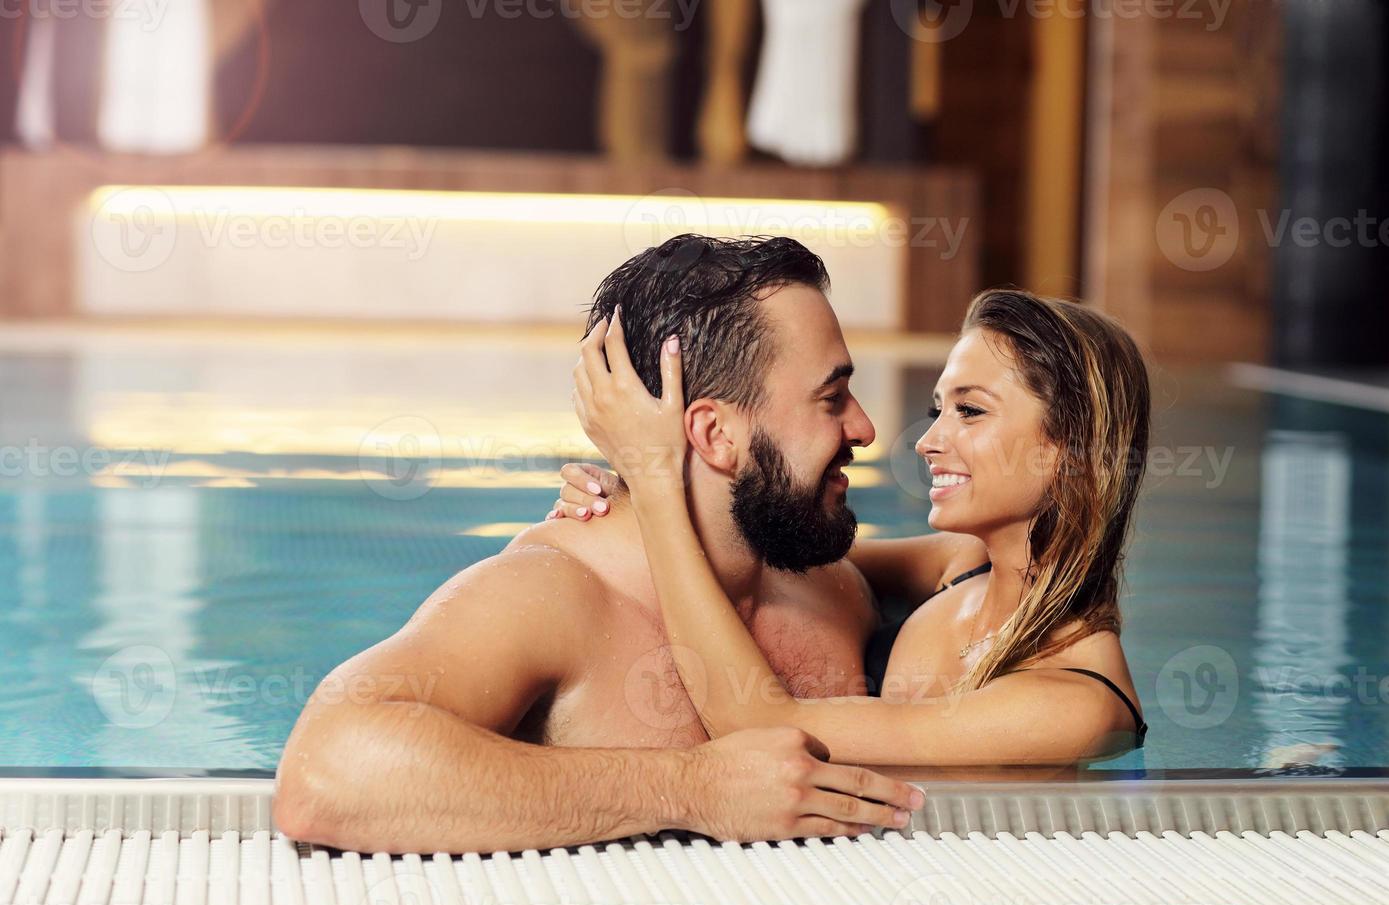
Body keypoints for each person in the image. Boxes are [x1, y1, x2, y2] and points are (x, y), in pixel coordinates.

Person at [273, 235, 924, 854]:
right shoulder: (555, 594)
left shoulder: (828, 583)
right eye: (832, 398)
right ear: (716, 435)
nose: (865, 427)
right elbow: (324, 774)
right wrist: (690, 788)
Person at [559, 287, 1151, 764]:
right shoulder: (960, 566)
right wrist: (628, 499)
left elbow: (764, 729)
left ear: (1071, 452)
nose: (927, 442)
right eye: (936, 411)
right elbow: (756, 548)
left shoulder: (1076, 703)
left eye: (969, 412)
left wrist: (658, 482)